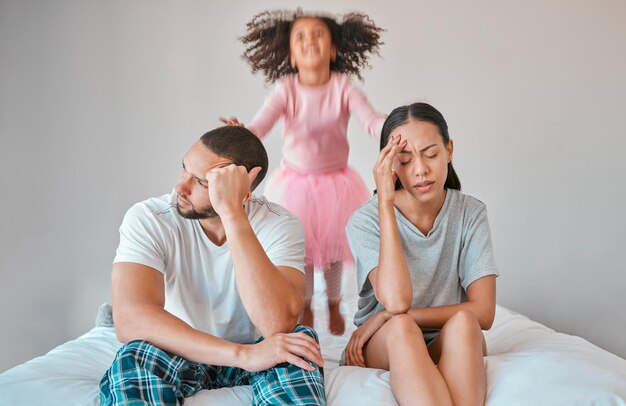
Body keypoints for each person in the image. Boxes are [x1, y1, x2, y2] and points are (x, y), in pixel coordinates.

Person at [99, 126, 326, 405]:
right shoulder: (149, 218)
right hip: (179, 348)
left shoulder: (280, 223)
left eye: (201, 182)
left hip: (262, 347)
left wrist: (231, 213)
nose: (180, 187)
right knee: (134, 355)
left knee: (299, 343)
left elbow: (277, 323)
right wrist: (242, 355)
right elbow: (132, 318)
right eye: (184, 169)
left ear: (243, 192)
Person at [221, 9, 385, 336]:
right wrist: (244, 132)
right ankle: (307, 304)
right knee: (305, 250)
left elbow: (371, 120)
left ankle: (335, 302)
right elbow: (261, 125)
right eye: (301, 37)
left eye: (318, 34)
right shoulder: (286, 89)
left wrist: (392, 127)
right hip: (295, 182)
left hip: (336, 183)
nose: (310, 40)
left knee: (336, 251)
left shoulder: (342, 87)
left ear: (334, 50)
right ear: (292, 56)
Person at [343, 103, 498, 406]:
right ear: (390, 165)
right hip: (384, 341)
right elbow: (397, 302)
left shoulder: (470, 212)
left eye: (431, 154)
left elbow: (484, 312)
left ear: (449, 151)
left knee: (465, 321)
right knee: (402, 327)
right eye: (404, 159)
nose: (420, 169)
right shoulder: (364, 220)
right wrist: (384, 204)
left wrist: (397, 315)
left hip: (443, 336)